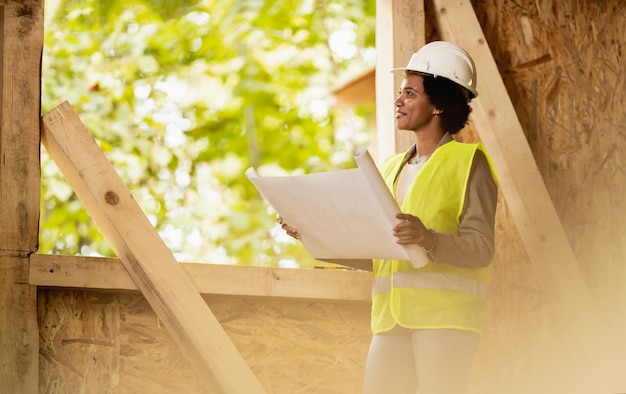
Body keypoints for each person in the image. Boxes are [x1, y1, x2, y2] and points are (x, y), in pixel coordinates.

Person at [278, 41, 498, 394]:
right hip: (389, 320)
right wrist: (310, 233)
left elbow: (482, 247)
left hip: (446, 319)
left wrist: (429, 239)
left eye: (410, 93)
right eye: (400, 93)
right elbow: (379, 253)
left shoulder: (470, 162)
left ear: (439, 102)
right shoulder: (389, 169)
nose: (398, 101)